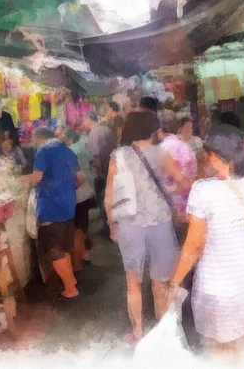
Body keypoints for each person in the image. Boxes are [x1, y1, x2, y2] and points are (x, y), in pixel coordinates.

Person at [169, 124, 244, 360]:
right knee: (243, 348)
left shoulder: (202, 191)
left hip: (218, 289)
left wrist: (175, 282)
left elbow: (194, 246)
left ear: (215, 156)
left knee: (220, 352)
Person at [105, 111, 191, 345]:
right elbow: (184, 182)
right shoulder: (162, 153)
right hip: (160, 223)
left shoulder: (118, 156)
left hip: (129, 224)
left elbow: (110, 195)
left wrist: (112, 223)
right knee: (160, 281)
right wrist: (168, 192)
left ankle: (138, 332)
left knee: (132, 282)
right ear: (152, 130)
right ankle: (163, 333)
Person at [19, 127, 86, 299]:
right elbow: (81, 178)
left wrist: (18, 180)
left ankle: (71, 288)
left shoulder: (43, 151)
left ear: (38, 138)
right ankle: (72, 281)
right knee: (64, 244)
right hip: (69, 204)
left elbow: (36, 178)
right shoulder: (67, 151)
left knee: (54, 248)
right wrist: (67, 190)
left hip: (50, 206)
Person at [155, 114, 197, 243]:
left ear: (159, 131)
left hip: (169, 207)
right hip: (189, 204)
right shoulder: (186, 147)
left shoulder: (160, 150)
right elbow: (193, 174)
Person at [65, 128, 97, 270]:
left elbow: (79, 178)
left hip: (78, 196)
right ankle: (85, 255)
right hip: (86, 192)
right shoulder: (83, 147)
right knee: (83, 227)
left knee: (78, 229)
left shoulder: (70, 153)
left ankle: (81, 258)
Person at [82, 112, 116, 238]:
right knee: (111, 199)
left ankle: (107, 229)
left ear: (89, 119)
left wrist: (98, 171)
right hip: (111, 168)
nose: (83, 123)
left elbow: (96, 155)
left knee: (103, 201)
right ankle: (112, 226)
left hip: (102, 172)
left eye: (84, 120)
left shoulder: (94, 133)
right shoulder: (107, 129)